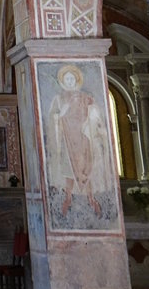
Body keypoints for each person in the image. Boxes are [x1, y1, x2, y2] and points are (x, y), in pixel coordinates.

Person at [47, 64, 112, 219]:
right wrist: (63, 111)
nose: (69, 82)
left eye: (72, 78)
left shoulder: (85, 97)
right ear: (63, 81)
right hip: (67, 140)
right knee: (68, 168)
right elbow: (54, 117)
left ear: (76, 80)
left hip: (83, 139)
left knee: (85, 167)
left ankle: (90, 198)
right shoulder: (59, 98)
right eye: (67, 79)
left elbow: (94, 115)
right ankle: (68, 198)